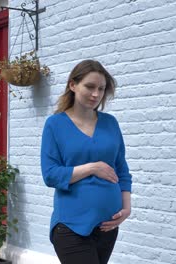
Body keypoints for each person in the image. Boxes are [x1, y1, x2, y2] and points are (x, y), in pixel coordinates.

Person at [40, 59, 132, 264]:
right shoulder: (55, 125)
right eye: (90, 87)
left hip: (107, 226)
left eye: (101, 89)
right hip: (71, 226)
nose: (96, 94)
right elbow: (50, 174)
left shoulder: (110, 123)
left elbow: (122, 169)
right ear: (73, 85)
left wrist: (126, 208)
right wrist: (92, 168)